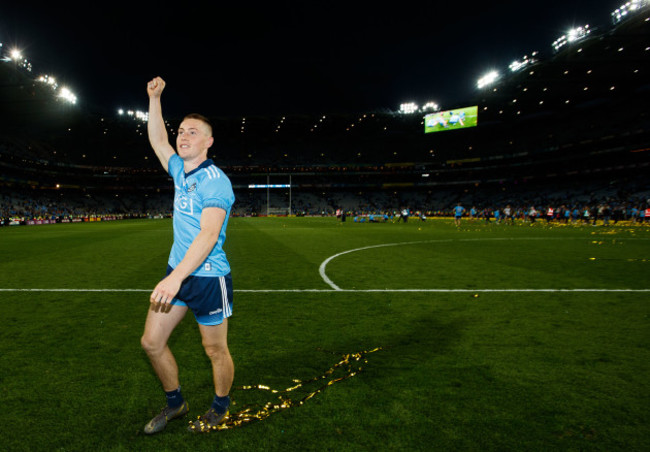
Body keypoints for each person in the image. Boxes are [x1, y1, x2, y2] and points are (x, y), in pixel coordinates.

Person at [140, 76, 236, 434]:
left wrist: (176, 276)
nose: (183, 136)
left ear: (208, 142)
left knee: (214, 350)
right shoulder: (180, 170)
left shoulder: (217, 182)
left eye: (192, 132)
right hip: (177, 274)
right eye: (181, 130)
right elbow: (157, 140)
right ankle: (175, 403)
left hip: (208, 278)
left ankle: (220, 407)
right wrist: (154, 99)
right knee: (151, 342)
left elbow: (209, 235)